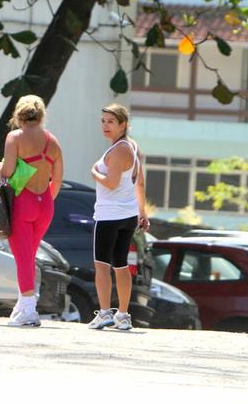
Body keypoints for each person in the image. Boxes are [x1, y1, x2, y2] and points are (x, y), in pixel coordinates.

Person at [0, 95, 63, 327]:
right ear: (41, 115)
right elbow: (58, 180)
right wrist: (44, 200)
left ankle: (29, 309)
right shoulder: (53, 141)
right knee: (29, 255)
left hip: (22, 202)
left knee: (22, 257)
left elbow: (8, 171)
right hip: (45, 203)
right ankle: (22, 306)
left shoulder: (14, 137)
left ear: (18, 116)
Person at [88, 104, 149, 331]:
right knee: (121, 265)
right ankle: (123, 315)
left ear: (123, 124)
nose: (105, 125)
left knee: (102, 265)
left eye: (111, 122)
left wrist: (94, 172)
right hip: (128, 214)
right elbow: (139, 182)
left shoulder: (119, 150)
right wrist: (142, 212)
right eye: (103, 121)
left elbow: (111, 183)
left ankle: (105, 313)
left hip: (109, 215)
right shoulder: (132, 147)